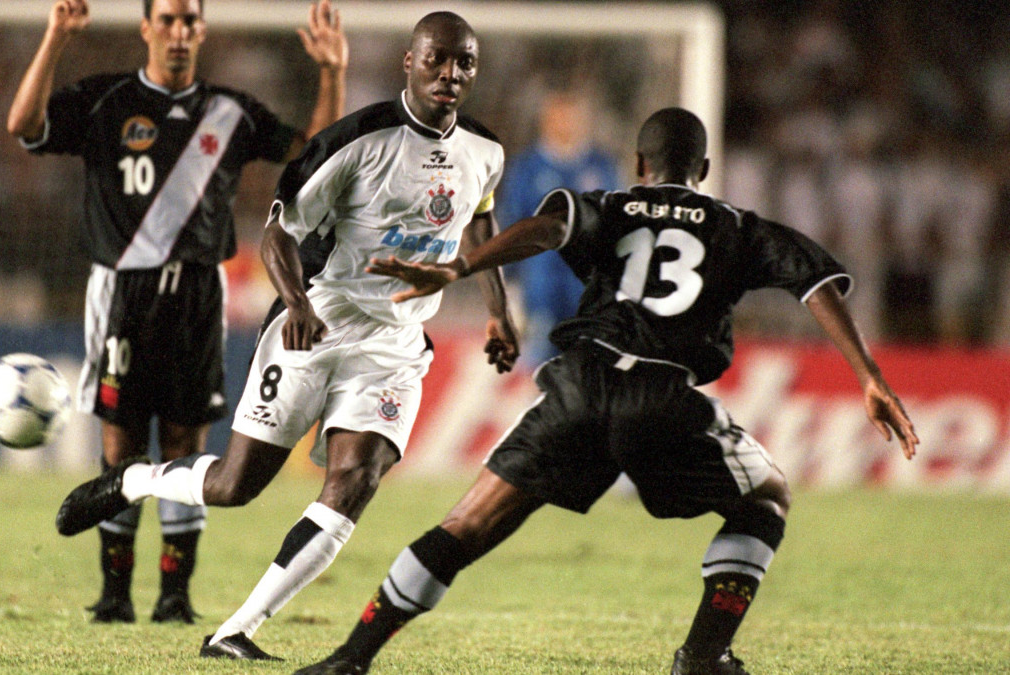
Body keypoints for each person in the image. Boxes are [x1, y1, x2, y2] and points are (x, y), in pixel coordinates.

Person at [294, 107, 920, 675]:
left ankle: (352, 657)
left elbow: (547, 226)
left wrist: (461, 265)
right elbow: (817, 285)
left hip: (580, 385)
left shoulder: (612, 204)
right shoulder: (738, 227)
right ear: (703, 169)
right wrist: (871, 377)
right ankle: (702, 657)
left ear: (640, 165)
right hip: (663, 397)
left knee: (467, 523)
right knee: (768, 498)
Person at [54, 10, 519, 661]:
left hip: (393, 347)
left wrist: (497, 308)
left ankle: (236, 628)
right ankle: (134, 481)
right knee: (235, 485)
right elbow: (278, 232)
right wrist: (296, 299)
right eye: (437, 59)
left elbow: (478, 224)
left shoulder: (486, 151)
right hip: (314, 326)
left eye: (464, 62)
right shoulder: (354, 139)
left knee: (356, 480)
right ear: (407, 63)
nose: (450, 73)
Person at [6, 0, 348, 624]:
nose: (180, 31)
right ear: (146, 28)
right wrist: (55, 35)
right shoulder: (105, 100)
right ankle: (114, 595)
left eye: (190, 20)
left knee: (188, 439)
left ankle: (175, 596)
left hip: (198, 291)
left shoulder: (230, 111)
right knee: (121, 442)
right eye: (168, 19)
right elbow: (24, 125)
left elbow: (315, 157)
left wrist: (331, 74)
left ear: (202, 31)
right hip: (121, 292)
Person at [496, 85, 621, 366]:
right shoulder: (527, 169)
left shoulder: (602, 166)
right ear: (545, 120)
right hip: (540, 291)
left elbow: (617, 229)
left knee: (590, 371)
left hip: (589, 293)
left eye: (572, 116)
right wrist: (510, 291)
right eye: (558, 116)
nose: (566, 123)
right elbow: (511, 229)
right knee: (544, 372)